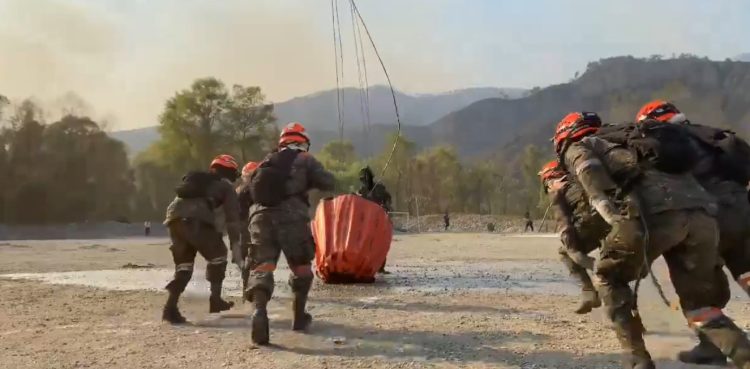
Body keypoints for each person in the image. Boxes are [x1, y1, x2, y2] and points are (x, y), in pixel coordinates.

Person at [554, 111, 750, 369]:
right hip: (702, 215)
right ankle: (744, 356)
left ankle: (636, 358)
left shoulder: (581, 144)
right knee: (699, 304)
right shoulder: (639, 137)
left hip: (658, 217)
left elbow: (587, 170)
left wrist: (607, 212)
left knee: (610, 277)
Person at [636, 100, 750, 365]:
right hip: (742, 209)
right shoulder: (711, 134)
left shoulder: (662, 144)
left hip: (706, 216)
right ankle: (709, 347)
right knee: (746, 272)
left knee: (696, 295)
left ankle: (741, 352)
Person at [245, 122, 335, 345]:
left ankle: (259, 311)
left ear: (282, 142)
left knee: (262, 266)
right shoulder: (305, 160)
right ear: (303, 142)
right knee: (301, 267)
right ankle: (299, 317)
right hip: (292, 217)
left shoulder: (265, 162)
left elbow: (247, 192)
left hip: (260, 217)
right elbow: (327, 182)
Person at [162, 154, 242, 324]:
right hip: (196, 220)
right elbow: (233, 218)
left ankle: (170, 308)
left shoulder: (195, 182)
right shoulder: (226, 186)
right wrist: (236, 244)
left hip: (173, 220)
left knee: (184, 266)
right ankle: (215, 300)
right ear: (230, 172)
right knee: (219, 256)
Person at [539, 160, 608, 314]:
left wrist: (572, 249)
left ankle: (588, 292)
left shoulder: (556, 189)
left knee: (564, 252)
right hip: (612, 220)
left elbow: (563, 222)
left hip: (590, 223)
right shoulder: (583, 175)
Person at [357, 166, 393, 274]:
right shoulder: (361, 191)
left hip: (379, 221)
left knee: (381, 244)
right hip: (366, 223)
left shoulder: (380, 188)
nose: (366, 180)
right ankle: (366, 265)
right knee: (366, 245)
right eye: (364, 178)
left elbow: (388, 200)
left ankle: (381, 267)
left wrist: (384, 205)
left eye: (367, 178)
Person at [236, 161, 258, 292]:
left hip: (243, 229)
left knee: (245, 259)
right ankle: (251, 285)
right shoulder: (263, 190)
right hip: (252, 228)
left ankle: (247, 286)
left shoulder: (239, 190)